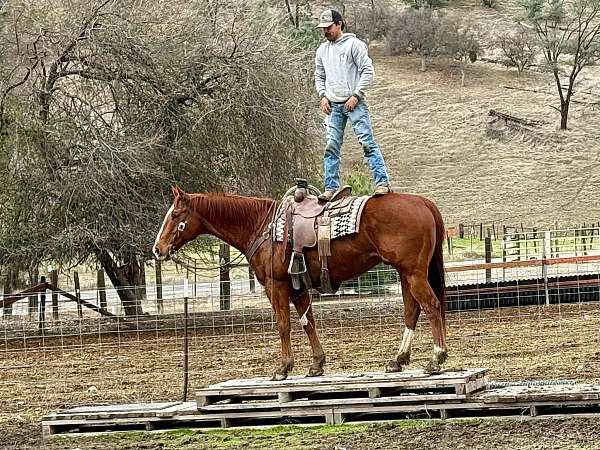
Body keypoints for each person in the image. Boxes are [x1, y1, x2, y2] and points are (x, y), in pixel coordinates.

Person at [314, 9, 391, 202]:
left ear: (339, 24)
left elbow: (367, 71)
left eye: (328, 27)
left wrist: (357, 95)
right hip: (333, 105)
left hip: (354, 103)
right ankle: (331, 187)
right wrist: (322, 96)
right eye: (323, 28)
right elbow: (319, 76)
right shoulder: (322, 50)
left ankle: (382, 183)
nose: (325, 31)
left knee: (367, 142)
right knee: (331, 146)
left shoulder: (354, 45)